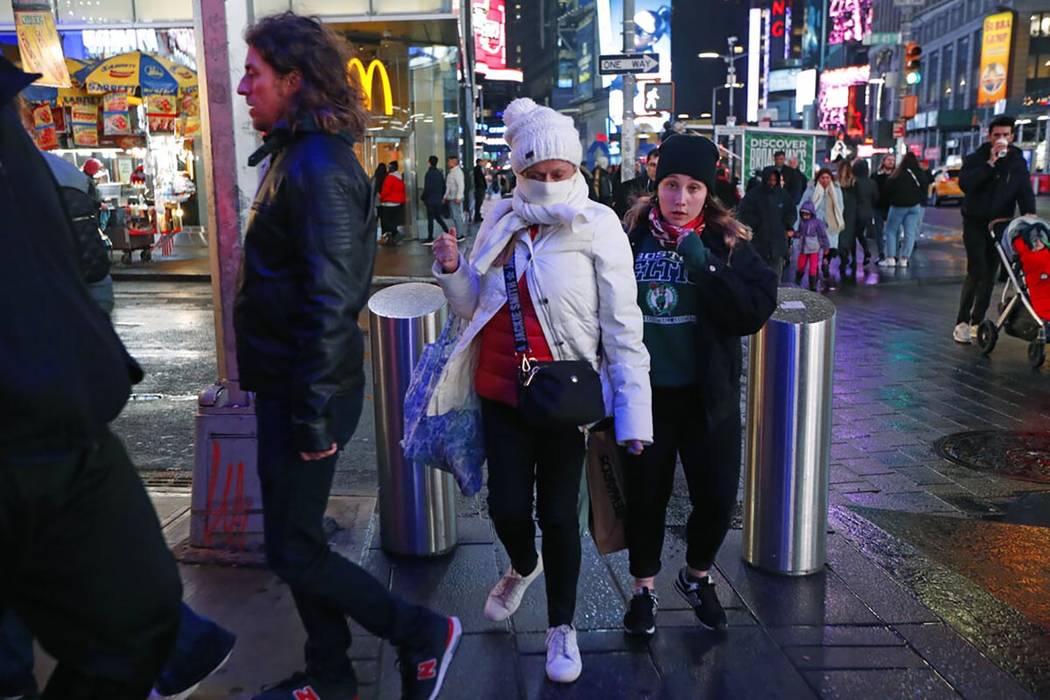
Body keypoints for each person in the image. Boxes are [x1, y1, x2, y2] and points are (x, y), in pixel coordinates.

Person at [233, 13, 461, 699]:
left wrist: (311, 418)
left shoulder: (317, 167)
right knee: (296, 542)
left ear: (293, 81)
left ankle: (419, 632)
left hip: (310, 394)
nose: (244, 88)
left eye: (255, 75)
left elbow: (333, 303)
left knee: (293, 548)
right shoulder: (294, 157)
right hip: (290, 387)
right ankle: (330, 678)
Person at [430, 97, 652, 684]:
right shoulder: (499, 220)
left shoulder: (598, 226)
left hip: (565, 401)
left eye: (561, 173)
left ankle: (561, 627)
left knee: (559, 516)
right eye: (538, 174)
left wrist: (633, 418)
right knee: (505, 508)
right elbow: (474, 306)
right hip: (501, 393)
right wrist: (454, 270)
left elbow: (624, 328)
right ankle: (521, 566)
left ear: (576, 171)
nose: (551, 183)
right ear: (518, 173)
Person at [1, 55, 183, 699]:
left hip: (57, 416)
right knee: (130, 627)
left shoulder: (36, 165)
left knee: (139, 622)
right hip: (42, 426)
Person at [619, 134, 777, 637]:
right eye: (670, 184)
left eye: (692, 187)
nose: (680, 198)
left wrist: (700, 261)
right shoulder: (628, 236)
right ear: (656, 184)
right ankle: (644, 587)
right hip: (646, 397)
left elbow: (753, 309)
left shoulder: (725, 242)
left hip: (707, 397)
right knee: (646, 497)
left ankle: (697, 574)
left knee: (716, 499)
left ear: (707, 193)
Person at [954, 115, 1036, 344]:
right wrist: (990, 164)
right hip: (975, 222)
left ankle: (977, 321)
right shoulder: (976, 159)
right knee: (976, 270)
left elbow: (1024, 189)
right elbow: (966, 184)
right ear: (989, 136)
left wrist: (1029, 214)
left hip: (1000, 224)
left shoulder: (1017, 161)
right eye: (997, 135)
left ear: (1012, 136)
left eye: (1005, 135)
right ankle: (961, 321)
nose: (1001, 139)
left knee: (990, 274)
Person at [736, 167, 796, 277]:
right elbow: (744, 212)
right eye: (770, 180)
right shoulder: (754, 195)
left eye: (774, 180)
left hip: (777, 244)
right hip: (758, 242)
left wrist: (787, 225)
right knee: (758, 276)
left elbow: (791, 212)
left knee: (775, 277)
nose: (772, 183)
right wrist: (756, 223)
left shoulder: (783, 195)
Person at [878, 151, 930, 269]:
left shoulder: (898, 173)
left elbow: (887, 188)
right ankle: (904, 259)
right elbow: (926, 185)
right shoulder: (919, 173)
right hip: (915, 206)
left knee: (891, 230)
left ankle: (890, 258)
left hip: (898, 206)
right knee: (910, 233)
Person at [802, 168, 845, 279]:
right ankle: (814, 268)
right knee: (815, 246)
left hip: (831, 222)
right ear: (818, 178)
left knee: (829, 246)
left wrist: (838, 217)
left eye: (827, 178)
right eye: (822, 178)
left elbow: (840, 204)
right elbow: (805, 203)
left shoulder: (836, 189)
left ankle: (825, 263)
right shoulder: (812, 188)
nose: (825, 180)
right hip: (815, 222)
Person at [793, 201, 831, 291]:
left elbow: (823, 236)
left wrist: (826, 247)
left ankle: (812, 285)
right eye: (803, 214)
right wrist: (794, 234)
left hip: (814, 249)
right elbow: (799, 233)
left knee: (813, 267)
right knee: (801, 265)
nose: (805, 216)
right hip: (803, 248)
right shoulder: (802, 223)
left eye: (807, 214)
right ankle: (798, 279)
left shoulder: (817, 223)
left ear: (812, 214)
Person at [615, 148, 659, 217]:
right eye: (653, 165)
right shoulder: (631, 185)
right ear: (646, 166)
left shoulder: (669, 186)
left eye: (659, 165)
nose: (656, 169)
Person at [851, 159, 879, 268]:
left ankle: (853, 258)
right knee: (860, 233)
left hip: (855, 212)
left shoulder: (854, 182)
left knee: (853, 235)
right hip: (867, 213)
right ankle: (866, 251)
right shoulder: (872, 183)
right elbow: (876, 198)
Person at [836, 159, 859, 276]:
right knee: (850, 235)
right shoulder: (854, 181)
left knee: (841, 234)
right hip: (851, 210)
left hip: (840, 209)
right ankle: (852, 257)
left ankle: (844, 257)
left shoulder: (836, 181)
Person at [872, 153, 895, 262]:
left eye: (892, 160)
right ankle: (881, 253)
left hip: (893, 207)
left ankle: (892, 253)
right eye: (888, 160)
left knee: (893, 231)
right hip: (878, 207)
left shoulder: (896, 175)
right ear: (883, 161)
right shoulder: (876, 175)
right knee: (879, 231)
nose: (891, 162)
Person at [421, 155, 449, 245]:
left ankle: (430, 237)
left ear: (429, 162)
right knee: (438, 217)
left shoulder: (429, 174)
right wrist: (441, 196)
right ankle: (447, 231)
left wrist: (423, 197)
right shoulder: (439, 173)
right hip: (438, 200)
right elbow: (444, 187)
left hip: (430, 200)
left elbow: (428, 188)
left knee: (430, 219)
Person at [378, 160, 406, 245]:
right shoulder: (400, 178)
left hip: (388, 203)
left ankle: (397, 234)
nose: (388, 169)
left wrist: (381, 197)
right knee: (393, 222)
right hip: (398, 203)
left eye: (389, 167)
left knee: (386, 221)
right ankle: (392, 240)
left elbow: (386, 191)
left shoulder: (389, 178)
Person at [444, 153, 466, 241]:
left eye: (449, 161)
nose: (447, 163)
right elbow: (449, 186)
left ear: (454, 162)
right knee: (455, 216)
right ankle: (458, 233)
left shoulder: (457, 172)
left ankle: (460, 235)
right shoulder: (452, 172)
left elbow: (461, 185)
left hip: (455, 198)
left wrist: (458, 197)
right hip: (452, 197)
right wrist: (445, 196)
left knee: (457, 216)